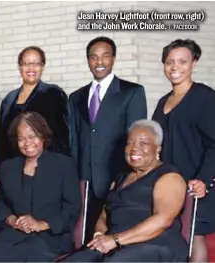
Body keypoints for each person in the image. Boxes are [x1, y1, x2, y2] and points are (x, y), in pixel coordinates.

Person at [64, 119, 188, 262]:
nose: (134, 148)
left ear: (158, 148)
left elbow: (162, 220)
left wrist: (116, 240)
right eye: (130, 142)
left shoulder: (169, 176)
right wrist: (99, 234)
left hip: (156, 244)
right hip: (119, 243)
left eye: (143, 143)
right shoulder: (121, 177)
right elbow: (105, 212)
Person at [68, 36, 147, 242]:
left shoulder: (132, 93)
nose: (99, 62)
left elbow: (136, 142)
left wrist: (127, 178)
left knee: (113, 235)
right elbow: (74, 141)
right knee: (85, 236)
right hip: (85, 180)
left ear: (113, 59)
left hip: (116, 178)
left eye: (105, 56)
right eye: (93, 57)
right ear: (88, 61)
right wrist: (75, 176)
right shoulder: (75, 97)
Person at [0, 112, 80, 262]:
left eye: (32, 136)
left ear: (43, 136)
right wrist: (12, 220)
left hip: (51, 236)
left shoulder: (63, 165)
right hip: (15, 233)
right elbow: (2, 202)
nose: (27, 143)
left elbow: (72, 208)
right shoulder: (8, 167)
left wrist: (41, 224)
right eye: (21, 139)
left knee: (27, 254)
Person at [152, 39, 215, 262]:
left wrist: (203, 180)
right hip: (171, 184)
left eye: (182, 61)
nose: (174, 67)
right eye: (169, 62)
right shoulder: (162, 102)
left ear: (194, 64)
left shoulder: (205, 97)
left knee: (194, 237)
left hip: (197, 184)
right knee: (174, 237)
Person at [0, 46, 70, 160]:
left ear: (42, 67)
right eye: (26, 63)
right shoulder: (8, 99)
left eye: (36, 63)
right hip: (13, 166)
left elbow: (65, 135)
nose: (31, 68)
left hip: (46, 164)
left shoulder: (54, 93)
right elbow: (2, 139)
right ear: (20, 67)